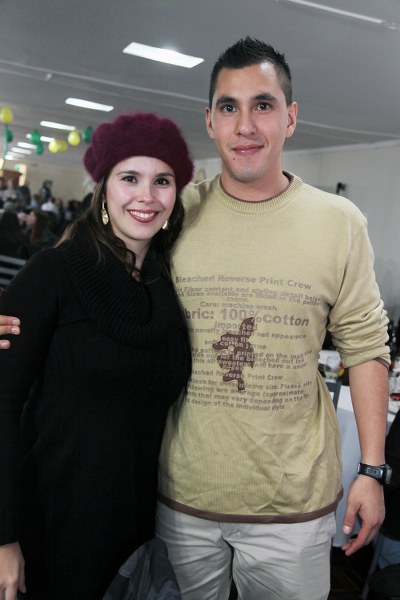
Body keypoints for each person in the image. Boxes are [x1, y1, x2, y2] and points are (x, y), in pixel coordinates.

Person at [0, 37, 390, 600]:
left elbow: (366, 344)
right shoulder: (171, 220)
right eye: (229, 107)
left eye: (263, 105)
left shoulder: (335, 222)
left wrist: (372, 470)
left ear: (290, 117)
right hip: (172, 506)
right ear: (210, 121)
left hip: (287, 508)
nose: (245, 125)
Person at [0, 111, 193, 600]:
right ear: (103, 188)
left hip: (133, 528)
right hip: (50, 523)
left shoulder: (166, 285)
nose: (147, 195)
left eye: (162, 180)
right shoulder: (53, 273)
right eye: (130, 178)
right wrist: (4, 537)